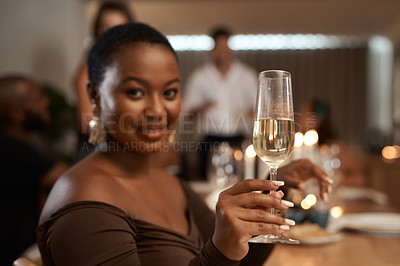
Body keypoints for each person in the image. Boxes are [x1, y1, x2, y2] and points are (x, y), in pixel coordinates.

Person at [36, 23, 332, 265]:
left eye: (169, 92)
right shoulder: (84, 201)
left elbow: (240, 259)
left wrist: (280, 190)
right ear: (95, 95)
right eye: (136, 92)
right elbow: (220, 256)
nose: (157, 110)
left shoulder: (169, 182)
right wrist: (221, 250)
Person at [0, 75, 68, 265]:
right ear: (17, 114)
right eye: (38, 98)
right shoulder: (8, 148)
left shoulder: (21, 144)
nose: (46, 102)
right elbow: (66, 179)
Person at [183, 26, 258, 179]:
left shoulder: (247, 76)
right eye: (219, 46)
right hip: (209, 139)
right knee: (207, 180)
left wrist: (250, 112)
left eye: (226, 46)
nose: (223, 51)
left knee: (241, 181)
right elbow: (187, 112)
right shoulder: (200, 77)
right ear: (212, 49)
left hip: (239, 138)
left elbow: (260, 108)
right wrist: (203, 107)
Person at [73, 1, 134, 162]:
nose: (112, 34)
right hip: (95, 153)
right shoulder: (89, 67)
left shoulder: (131, 66)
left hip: (125, 151)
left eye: (118, 27)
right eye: (105, 27)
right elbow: (87, 123)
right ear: (97, 31)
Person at [298, 99, 366, 186]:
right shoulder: (298, 146)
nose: (299, 118)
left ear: (317, 119)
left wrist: (335, 182)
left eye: (304, 114)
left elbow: (360, 177)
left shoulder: (334, 147)